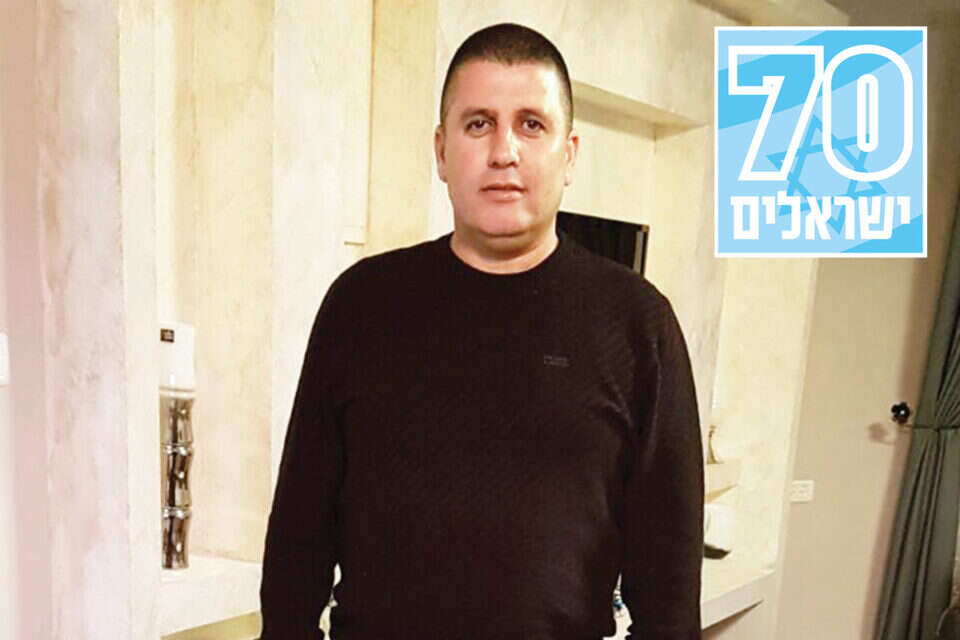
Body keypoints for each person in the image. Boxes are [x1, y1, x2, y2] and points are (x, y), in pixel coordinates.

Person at [259, 22, 704, 640]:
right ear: (441, 151)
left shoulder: (637, 326)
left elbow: (669, 596)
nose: (504, 152)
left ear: (569, 154)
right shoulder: (359, 306)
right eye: (478, 124)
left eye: (531, 124)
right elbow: (296, 546)